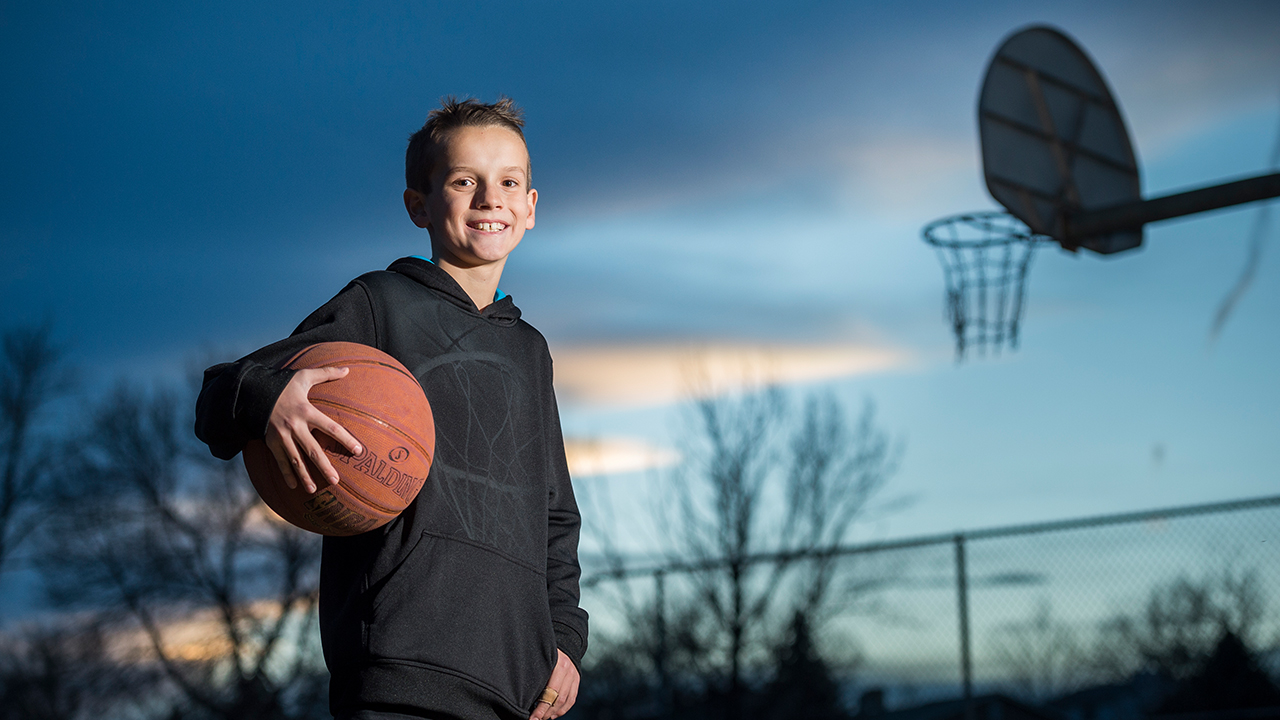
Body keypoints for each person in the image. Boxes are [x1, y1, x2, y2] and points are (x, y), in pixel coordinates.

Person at [194, 97, 587, 720]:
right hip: (397, 674)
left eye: (509, 182)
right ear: (418, 205)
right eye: (465, 181)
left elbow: (556, 516)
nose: (491, 198)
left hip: (516, 688)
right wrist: (267, 399)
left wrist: (564, 638)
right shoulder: (381, 306)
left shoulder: (529, 351)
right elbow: (222, 393)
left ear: (531, 207)